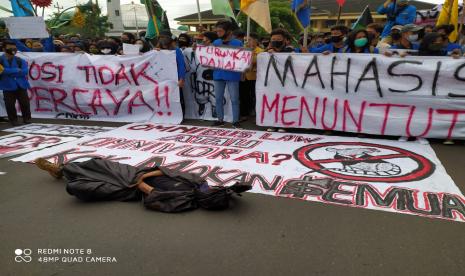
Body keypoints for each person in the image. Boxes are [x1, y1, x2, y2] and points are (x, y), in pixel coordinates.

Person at [34, 158, 251, 213]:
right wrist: (145, 176)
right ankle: (61, 169)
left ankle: (67, 176)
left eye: (210, 194)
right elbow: (171, 170)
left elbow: (154, 201)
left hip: (129, 190)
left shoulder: (187, 202)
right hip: (137, 174)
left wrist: (141, 186)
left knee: (80, 188)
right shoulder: (200, 183)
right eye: (214, 190)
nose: (209, 190)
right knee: (99, 164)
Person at [211, 20, 243, 128]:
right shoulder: (215, 43)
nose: (218, 33)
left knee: (234, 99)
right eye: (217, 31)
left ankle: (235, 121)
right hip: (218, 74)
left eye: (220, 31)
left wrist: (242, 72)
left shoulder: (238, 43)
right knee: (218, 98)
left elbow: (242, 60)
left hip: (232, 75)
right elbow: (212, 58)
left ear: (228, 31)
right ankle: (220, 120)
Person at [0, 40, 31, 126]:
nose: (13, 49)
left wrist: (7, 72)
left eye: (14, 48)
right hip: (7, 86)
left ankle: (27, 118)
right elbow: (1, 71)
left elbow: (25, 71)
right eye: (10, 48)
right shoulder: (0, 60)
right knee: (9, 104)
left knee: (25, 103)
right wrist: (16, 70)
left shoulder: (20, 60)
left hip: (21, 85)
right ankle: (13, 120)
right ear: (4, 48)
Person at [242, 33, 263, 120]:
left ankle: (257, 114)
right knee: (244, 96)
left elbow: (255, 60)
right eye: (245, 40)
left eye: (249, 40)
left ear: (256, 41)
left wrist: (249, 52)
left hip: (255, 77)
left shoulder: (260, 51)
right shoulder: (243, 50)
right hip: (244, 76)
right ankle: (244, 113)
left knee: (255, 96)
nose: (247, 42)